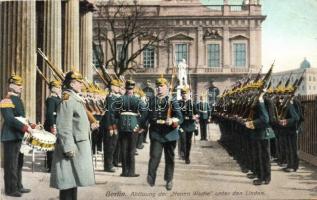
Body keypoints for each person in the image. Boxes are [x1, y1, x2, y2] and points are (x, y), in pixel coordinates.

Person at [50, 70, 95, 200]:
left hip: (77, 145)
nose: (82, 85)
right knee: (67, 183)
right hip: (71, 147)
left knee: (73, 181)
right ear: (72, 84)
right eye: (79, 83)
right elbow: (64, 126)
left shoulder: (75, 99)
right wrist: (68, 147)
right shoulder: (68, 99)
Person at [146, 75, 183, 190]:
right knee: (154, 156)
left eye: (161, 86)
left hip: (170, 134)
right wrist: (141, 126)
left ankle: (169, 179)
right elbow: (146, 115)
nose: (158, 88)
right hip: (156, 133)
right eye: (157, 86)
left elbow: (180, 117)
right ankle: (151, 176)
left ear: (167, 88)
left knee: (169, 158)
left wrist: (172, 120)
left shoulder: (172, 100)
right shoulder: (152, 100)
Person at [0, 74, 33, 197]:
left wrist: (32, 125)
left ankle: (19, 186)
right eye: (18, 85)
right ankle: (11, 189)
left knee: (18, 163)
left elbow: (21, 118)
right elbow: (9, 119)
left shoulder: (18, 99)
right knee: (10, 164)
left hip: (18, 135)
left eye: (21, 85)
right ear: (11, 86)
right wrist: (25, 127)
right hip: (10, 136)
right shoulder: (5, 100)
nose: (21, 87)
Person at [117, 79, 147, 177]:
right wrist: (141, 124)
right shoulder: (137, 99)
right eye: (130, 88)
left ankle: (124, 171)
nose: (130, 90)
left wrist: (118, 123)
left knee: (124, 149)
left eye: (130, 88)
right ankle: (131, 172)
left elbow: (114, 113)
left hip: (122, 126)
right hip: (134, 126)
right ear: (133, 89)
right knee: (131, 150)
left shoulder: (120, 99)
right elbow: (145, 112)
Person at [100, 79, 121, 172]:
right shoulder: (110, 98)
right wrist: (111, 127)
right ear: (112, 87)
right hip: (111, 125)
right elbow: (109, 114)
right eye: (117, 86)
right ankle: (108, 166)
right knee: (109, 146)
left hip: (115, 124)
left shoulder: (115, 98)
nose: (118, 88)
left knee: (114, 145)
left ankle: (112, 163)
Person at [44, 80, 62, 172]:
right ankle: (51, 167)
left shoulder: (58, 99)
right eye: (58, 87)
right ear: (53, 88)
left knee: (57, 146)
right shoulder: (51, 99)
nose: (59, 89)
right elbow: (50, 115)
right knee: (51, 147)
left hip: (58, 124)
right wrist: (53, 127)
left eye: (59, 87)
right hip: (52, 125)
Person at [178, 86, 198, 164]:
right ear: (181, 94)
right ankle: (183, 153)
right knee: (183, 140)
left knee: (188, 142)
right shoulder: (179, 103)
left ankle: (187, 157)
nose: (184, 95)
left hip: (190, 125)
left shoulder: (192, 103)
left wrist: (195, 116)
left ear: (188, 94)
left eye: (185, 93)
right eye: (183, 93)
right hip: (182, 125)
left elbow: (197, 113)